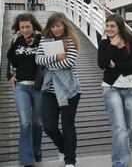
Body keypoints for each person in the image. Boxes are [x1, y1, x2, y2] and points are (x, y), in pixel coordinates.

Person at [35, 13, 81, 167]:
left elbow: (69, 62)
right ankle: (63, 148)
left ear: (64, 25)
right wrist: (55, 58)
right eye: (53, 26)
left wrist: (49, 63)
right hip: (49, 89)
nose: (55, 29)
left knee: (68, 125)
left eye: (58, 26)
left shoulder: (70, 40)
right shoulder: (44, 39)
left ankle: (70, 160)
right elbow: (38, 59)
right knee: (49, 126)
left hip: (69, 90)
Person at [98, 14, 132, 167]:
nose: (109, 29)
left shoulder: (130, 42)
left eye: (113, 26)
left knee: (129, 127)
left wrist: (116, 61)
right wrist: (111, 46)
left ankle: (125, 151)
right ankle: (119, 162)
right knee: (119, 127)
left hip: (130, 88)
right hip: (111, 88)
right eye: (107, 26)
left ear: (119, 28)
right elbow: (102, 64)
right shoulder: (104, 43)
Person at [7, 13, 43, 167]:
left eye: (28, 27)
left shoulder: (42, 40)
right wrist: (9, 76)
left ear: (33, 26)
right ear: (18, 28)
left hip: (38, 86)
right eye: (22, 27)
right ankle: (27, 159)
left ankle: (36, 150)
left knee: (37, 122)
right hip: (21, 86)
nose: (25, 30)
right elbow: (10, 61)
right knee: (25, 122)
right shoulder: (16, 41)